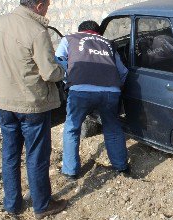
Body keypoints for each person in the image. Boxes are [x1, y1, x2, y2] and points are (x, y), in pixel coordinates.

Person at [0, 0, 68, 220]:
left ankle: (12, 203)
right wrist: (64, 70)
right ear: (39, 5)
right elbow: (49, 73)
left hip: (4, 102)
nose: (47, 11)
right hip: (31, 104)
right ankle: (42, 205)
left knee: (10, 154)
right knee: (36, 156)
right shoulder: (37, 31)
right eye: (48, 6)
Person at [55, 20, 129, 181]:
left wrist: (68, 79)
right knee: (112, 128)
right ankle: (121, 167)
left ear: (80, 30)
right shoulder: (108, 43)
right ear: (98, 33)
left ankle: (70, 171)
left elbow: (58, 61)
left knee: (72, 129)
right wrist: (117, 87)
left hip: (80, 90)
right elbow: (123, 71)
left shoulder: (69, 38)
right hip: (110, 91)